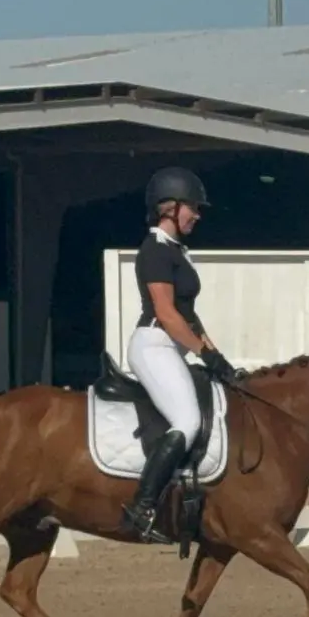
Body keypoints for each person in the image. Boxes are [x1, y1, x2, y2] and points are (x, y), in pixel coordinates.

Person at [119, 166, 239, 543]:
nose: (198, 215)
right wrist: (203, 353)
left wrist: (217, 357)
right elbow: (168, 314)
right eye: (193, 208)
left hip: (172, 345)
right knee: (187, 421)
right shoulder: (154, 250)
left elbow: (190, 316)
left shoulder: (176, 252)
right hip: (154, 343)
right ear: (169, 208)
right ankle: (142, 506)